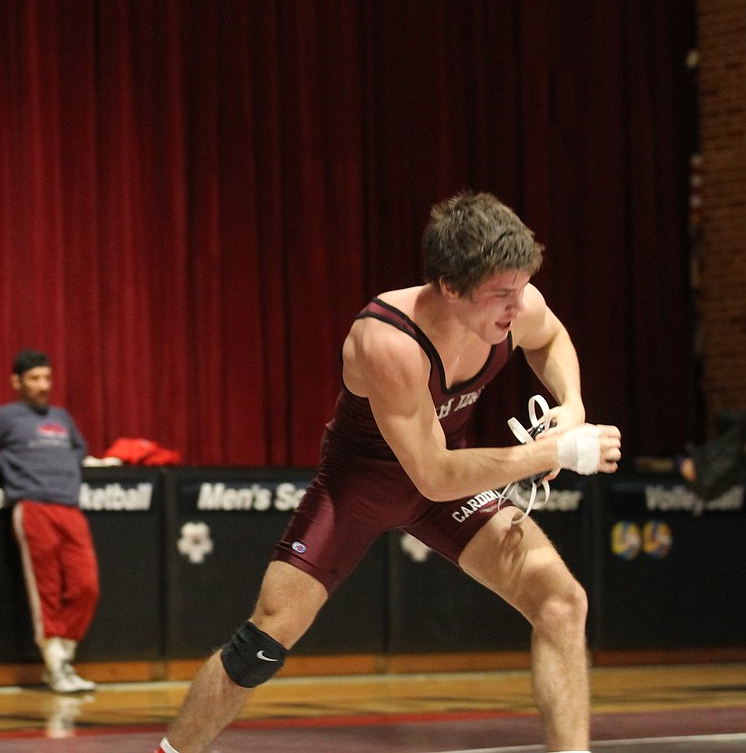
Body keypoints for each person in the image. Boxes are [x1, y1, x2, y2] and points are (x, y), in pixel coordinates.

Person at [155, 192, 623, 753]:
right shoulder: (387, 340)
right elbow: (432, 476)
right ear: (450, 287)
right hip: (364, 485)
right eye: (501, 294)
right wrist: (555, 454)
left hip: (449, 477)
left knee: (561, 602)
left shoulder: (518, 304)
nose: (516, 306)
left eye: (521, 288)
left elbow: (550, 339)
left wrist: (570, 407)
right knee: (261, 643)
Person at [0, 349, 99, 694]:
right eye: (35, 379)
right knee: (46, 589)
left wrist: (61, 465)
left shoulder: (61, 416)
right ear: (17, 382)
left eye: (47, 378)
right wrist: (8, 465)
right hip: (34, 506)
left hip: (70, 507)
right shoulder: (6, 417)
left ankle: (64, 657)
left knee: (87, 585)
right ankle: (55, 667)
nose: (43, 385)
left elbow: (79, 449)